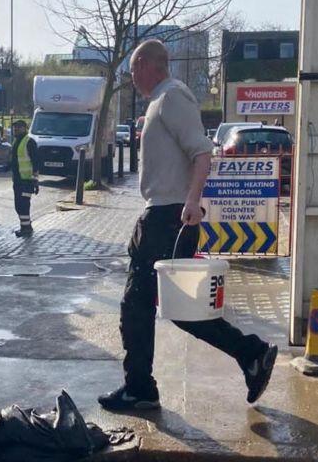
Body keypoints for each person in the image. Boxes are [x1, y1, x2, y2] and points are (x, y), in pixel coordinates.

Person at [98, 40, 278, 412]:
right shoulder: (160, 100)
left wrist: (193, 202)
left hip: (170, 217)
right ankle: (251, 353)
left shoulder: (171, 98)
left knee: (139, 305)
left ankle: (142, 388)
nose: (132, 79)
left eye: (133, 71)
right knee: (171, 308)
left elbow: (201, 151)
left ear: (148, 64)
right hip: (163, 214)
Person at [9, 120, 39, 237]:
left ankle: (26, 228)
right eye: (15, 128)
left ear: (24, 128)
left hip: (27, 181)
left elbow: (36, 162)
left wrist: (35, 180)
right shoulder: (17, 141)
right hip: (18, 180)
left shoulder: (29, 142)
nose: (16, 130)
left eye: (18, 128)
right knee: (18, 205)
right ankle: (25, 226)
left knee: (23, 205)